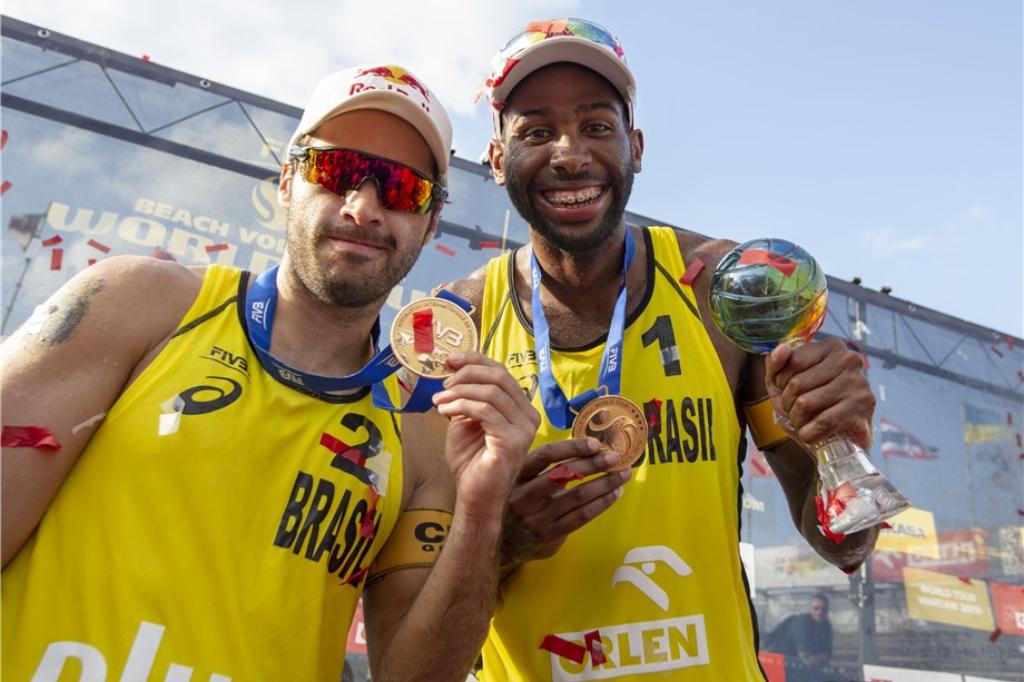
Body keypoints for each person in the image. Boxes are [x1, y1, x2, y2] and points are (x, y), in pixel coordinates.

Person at [1, 64, 539, 681]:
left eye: (402, 189)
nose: (363, 207)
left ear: (430, 222)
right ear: (288, 181)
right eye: (335, 172)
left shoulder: (424, 430)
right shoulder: (140, 303)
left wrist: (481, 511)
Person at [428, 18, 879, 680]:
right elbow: (423, 624)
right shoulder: (458, 324)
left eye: (596, 126)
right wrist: (504, 541)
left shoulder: (717, 287)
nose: (571, 154)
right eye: (535, 131)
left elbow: (844, 545)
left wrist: (847, 450)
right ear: (497, 161)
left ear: (635, 146)